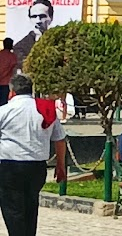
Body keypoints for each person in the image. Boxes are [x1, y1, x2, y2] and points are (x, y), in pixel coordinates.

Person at [0, 74, 67, 236]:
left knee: (13, 210)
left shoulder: (4, 111)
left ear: (12, 92)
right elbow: (60, 139)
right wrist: (60, 165)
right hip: (37, 166)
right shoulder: (46, 110)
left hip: (9, 166)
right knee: (31, 207)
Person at [13, 0, 54, 66]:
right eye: (34, 17)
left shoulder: (60, 41)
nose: (38, 21)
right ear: (30, 19)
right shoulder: (20, 48)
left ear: (51, 18)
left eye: (42, 16)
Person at [0, 38, 18, 105]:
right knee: (3, 104)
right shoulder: (12, 56)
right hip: (6, 83)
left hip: (4, 82)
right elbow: (12, 68)